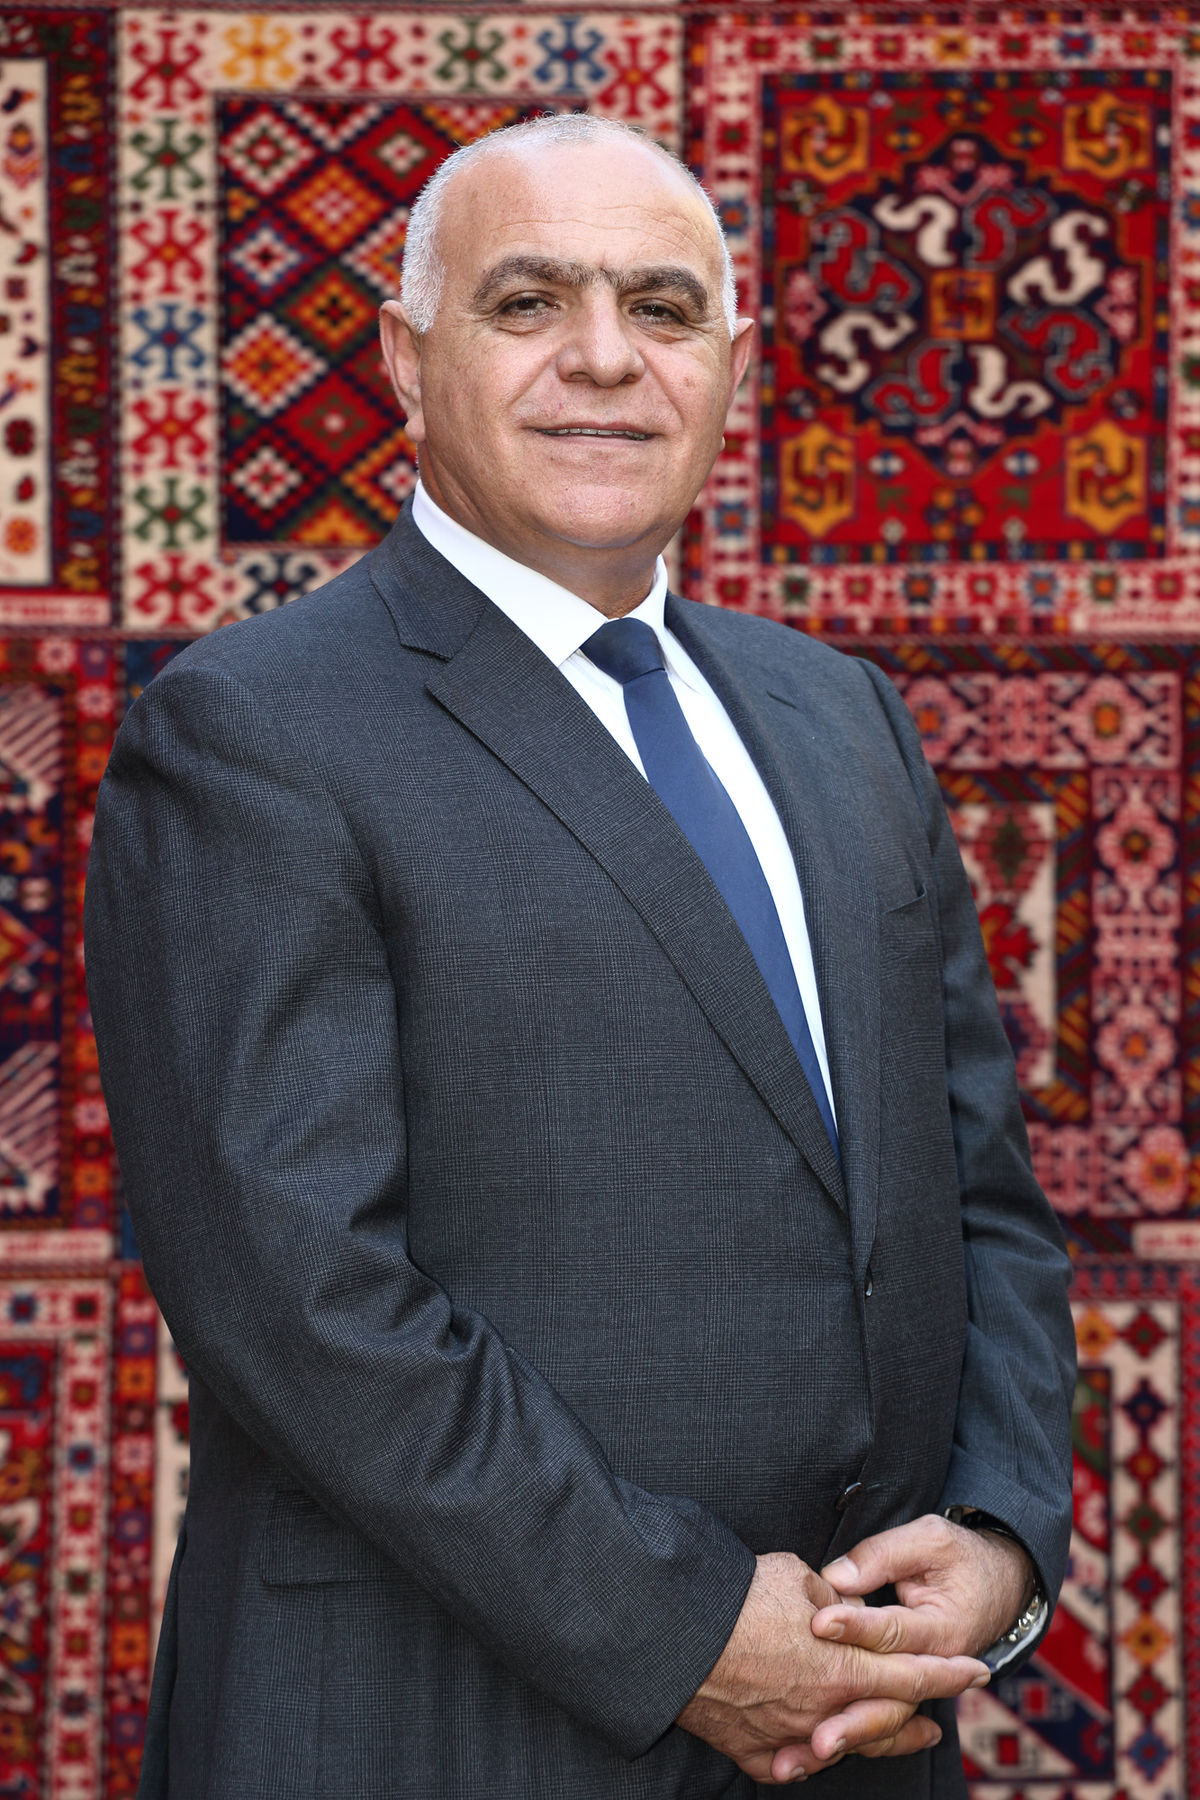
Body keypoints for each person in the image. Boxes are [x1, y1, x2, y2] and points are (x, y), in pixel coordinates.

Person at [85, 114, 1076, 1799]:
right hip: (427, 1729)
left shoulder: (841, 720)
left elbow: (979, 1201)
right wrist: (690, 1633)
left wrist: (998, 1542)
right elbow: (301, 1299)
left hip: (862, 1728)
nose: (606, 359)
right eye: (530, 302)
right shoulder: (250, 732)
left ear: (734, 371)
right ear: (407, 361)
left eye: (663, 309)